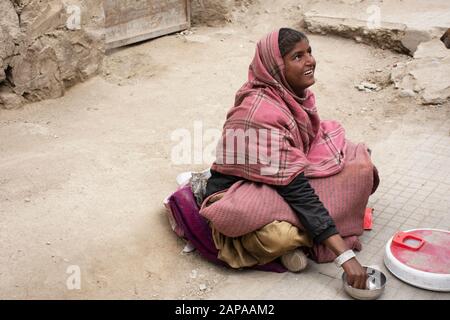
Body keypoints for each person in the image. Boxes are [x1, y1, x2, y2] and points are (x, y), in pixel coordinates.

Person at [199, 28, 379, 289]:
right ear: (275, 67)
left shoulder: (291, 94)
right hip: (242, 188)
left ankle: (313, 231)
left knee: (360, 167)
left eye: (309, 52)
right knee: (278, 236)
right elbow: (298, 192)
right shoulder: (259, 112)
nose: (310, 61)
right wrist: (345, 256)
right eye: (297, 57)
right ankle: (295, 241)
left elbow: (300, 158)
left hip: (283, 175)